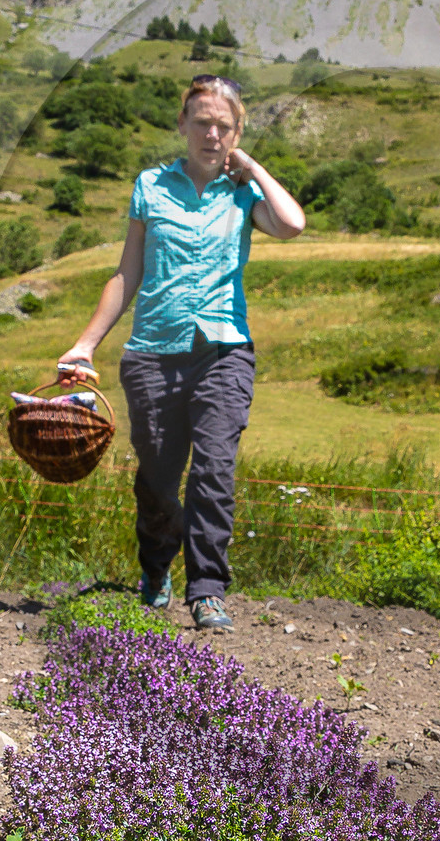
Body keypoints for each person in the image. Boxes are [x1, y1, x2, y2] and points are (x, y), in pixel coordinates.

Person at [56, 72, 305, 630]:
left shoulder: (245, 194)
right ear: (183, 125)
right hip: (152, 353)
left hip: (224, 350)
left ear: (236, 131)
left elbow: (291, 224)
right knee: (159, 477)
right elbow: (129, 272)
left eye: (223, 126)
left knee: (215, 468)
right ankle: (155, 567)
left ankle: (207, 588)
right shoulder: (151, 186)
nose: (211, 134)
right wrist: (85, 344)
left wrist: (254, 168)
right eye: (202, 123)